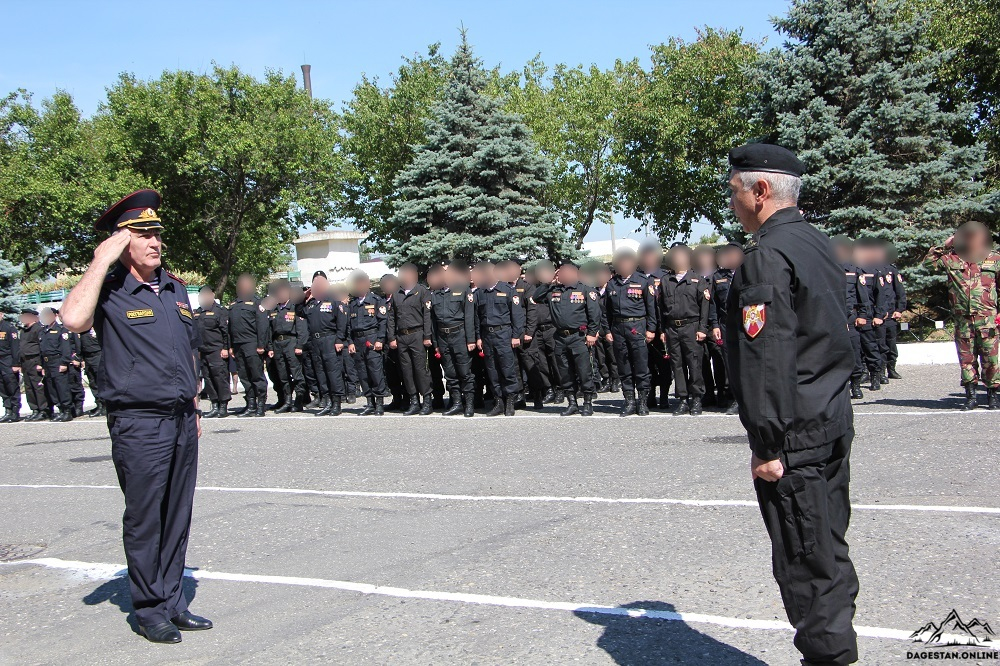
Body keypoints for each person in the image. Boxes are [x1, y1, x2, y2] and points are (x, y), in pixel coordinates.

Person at [725, 144, 858, 666]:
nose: (731, 201)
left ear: (760, 192)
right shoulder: (814, 242)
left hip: (795, 435)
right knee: (828, 545)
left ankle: (828, 658)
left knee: (805, 561)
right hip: (829, 417)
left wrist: (767, 444)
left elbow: (767, 355)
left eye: (734, 190)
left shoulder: (767, 254)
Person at [60, 189, 211, 644]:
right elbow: (72, 319)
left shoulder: (174, 287)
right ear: (120, 242)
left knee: (177, 514)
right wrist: (100, 262)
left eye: (156, 233)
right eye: (142, 234)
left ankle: (171, 602)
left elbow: (187, 350)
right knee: (146, 516)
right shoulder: (107, 289)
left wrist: (195, 403)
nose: (154, 242)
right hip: (139, 422)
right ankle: (148, 610)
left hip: (183, 417)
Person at [925, 221, 1000, 410]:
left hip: (987, 319)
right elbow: (928, 263)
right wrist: (946, 244)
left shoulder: (994, 259)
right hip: (963, 320)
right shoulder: (953, 259)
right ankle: (971, 396)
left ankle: (992, 396)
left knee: (991, 359)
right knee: (967, 359)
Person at [532, 261, 602, 416]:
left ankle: (588, 403)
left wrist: (592, 333)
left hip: (579, 337)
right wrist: (549, 283)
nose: (563, 275)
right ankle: (572, 403)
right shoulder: (553, 290)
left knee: (584, 371)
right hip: (560, 337)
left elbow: (594, 313)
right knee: (565, 372)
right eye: (561, 273)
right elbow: (535, 298)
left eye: (566, 272)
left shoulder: (585, 289)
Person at [605, 248, 657, 417]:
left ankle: (642, 402)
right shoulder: (612, 284)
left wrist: (651, 329)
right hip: (618, 328)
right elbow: (606, 311)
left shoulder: (643, 281)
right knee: (624, 367)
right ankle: (629, 402)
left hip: (638, 326)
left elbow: (651, 308)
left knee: (641, 366)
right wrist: (607, 330)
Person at [659, 245, 710, 416]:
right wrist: (662, 330)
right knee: (677, 365)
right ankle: (682, 400)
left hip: (692, 326)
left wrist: (702, 328)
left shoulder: (698, 279)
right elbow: (660, 307)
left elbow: (705, 306)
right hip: (672, 328)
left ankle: (696, 399)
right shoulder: (666, 281)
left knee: (694, 363)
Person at [473, 261, 525, 416]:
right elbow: (476, 317)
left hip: (504, 334)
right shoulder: (479, 292)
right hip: (487, 335)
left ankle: (510, 401)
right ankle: (498, 402)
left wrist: (516, 336)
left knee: (507, 368)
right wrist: (478, 337)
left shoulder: (508, 290)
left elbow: (517, 315)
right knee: (492, 370)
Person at [430, 261, 477, 417]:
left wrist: (470, 339)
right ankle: (456, 403)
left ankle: (469, 404)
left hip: (460, 335)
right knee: (449, 373)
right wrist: (436, 344)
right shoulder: (435, 294)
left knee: (464, 372)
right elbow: (433, 323)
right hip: (443, 338)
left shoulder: (463, 290)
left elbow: (469, 317)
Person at [832, 236, 876, 400]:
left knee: (854, 352)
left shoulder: (854, 269)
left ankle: (856, 385)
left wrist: (863, 315)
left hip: (850, 317)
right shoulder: (827, 267)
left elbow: (862, 294)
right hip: (833, 319)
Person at [387, 263, 434, 415]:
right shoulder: (396, 294)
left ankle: (427, 400)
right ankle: (414, 401)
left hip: (417, 334)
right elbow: (391, 318)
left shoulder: (422, 292)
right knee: (406, 371)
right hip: (402, 337)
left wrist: (427, 336)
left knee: (421, 370)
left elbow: (427, 316)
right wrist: (392, 338)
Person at [301, 271, 349, 416]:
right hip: (315, 341)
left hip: (330, 339)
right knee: (321, 373)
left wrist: (340, 339)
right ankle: (327, 402)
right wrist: (303, 297)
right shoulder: (311, 304)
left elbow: (342, 320)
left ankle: (336, 404)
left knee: (333, 373)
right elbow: (298, 312)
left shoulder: (333, 300)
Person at [228, 274, 269, 417]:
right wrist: (231, 345)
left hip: (252, 344)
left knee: (256, 375)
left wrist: (261, 345)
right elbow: (230, 327)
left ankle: (261, 405)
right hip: (238, 345)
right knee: (244, 376)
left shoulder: (258, 303)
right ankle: (250, 404)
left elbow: (262, 325)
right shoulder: (234, 304)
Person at [348, 270, 388, 416]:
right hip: (357, 341)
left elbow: (383, 322)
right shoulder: (352, 304)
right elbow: (348, 327)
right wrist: (350, 342)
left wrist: (380, 340)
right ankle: (369, 402)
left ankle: (379, 404)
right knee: (363, 373)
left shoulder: (376, 300)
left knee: (375, 372)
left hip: (371, 339)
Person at [638, 241, 671, 409]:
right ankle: (650, 396)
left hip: (660, 329)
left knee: (664, 364)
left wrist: (662, 329)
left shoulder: (665, 276)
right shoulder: (637, 277)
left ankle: (664, 396)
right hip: (641, 330)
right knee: (646, 365)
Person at [267, 280, 308, 413]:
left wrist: (300, 345)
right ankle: (287, 401)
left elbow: (302, 328)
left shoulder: (295, 307)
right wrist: (270, 347)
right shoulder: (274, 309)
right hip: (278, 344)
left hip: (291, 342)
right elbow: (269, 330)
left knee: (296, 374)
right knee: (283, 375)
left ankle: (299, 400)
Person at [712, 244, 743, 415]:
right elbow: (713, 304)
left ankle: (748, 398)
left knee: (745, 362)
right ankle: (736, 399)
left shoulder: (747, 273)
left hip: (744, 323)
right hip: (725, 324)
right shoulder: (718, 277)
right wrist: (715, 325)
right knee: (729, 362)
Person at [193, 286, 231, 418]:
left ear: (212, 295)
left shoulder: (220, 311)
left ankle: (223, 406)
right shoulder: (198, 312)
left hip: (217, 350)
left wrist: (225, 348)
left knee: (219, 377)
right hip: (203, 351)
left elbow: (225, 332)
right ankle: (214, 404)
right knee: (208, 378)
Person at [38, 307, 74, 422]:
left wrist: (64, 362)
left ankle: (67, 411)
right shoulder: (43, 331)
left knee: (61, 387)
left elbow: (66, 348)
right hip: (47, 363)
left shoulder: (61, 330)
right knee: (52, 388)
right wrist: (42, 365)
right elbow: (42, 350)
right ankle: (60, 410)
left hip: (58, 361)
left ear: (55, 316)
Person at [17, 309, 48, 421]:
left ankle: (43, 410)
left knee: (37, 386)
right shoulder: (24, 330)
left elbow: (42, 347)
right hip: (25, 362)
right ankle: (35, 409)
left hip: (35, 360)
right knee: (29, 387)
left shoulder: (38, 329)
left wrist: (41, 363)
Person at [0, 308, 21, 422]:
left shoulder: (9, 328)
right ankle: (8, 410)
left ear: (1, 315)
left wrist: (16, 363)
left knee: (11, 385)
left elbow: (15, 347)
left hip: (8, 360)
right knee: (2, 387)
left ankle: (15, 410)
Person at [78, 324, 105, 417]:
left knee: (101, 382)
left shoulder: (97, 327)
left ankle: (105, 406)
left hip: (98, 355)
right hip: (87, 357)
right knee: (93, 383)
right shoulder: (82, 329)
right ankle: (99, 405)